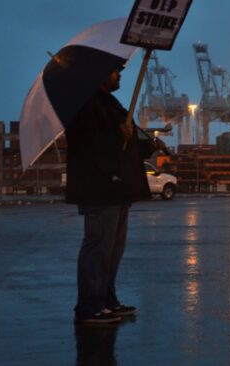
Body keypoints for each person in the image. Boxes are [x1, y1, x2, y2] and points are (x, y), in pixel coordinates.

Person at [66, 68, 158, 324]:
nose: (119, 74)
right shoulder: (84, 104)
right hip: (99, 188)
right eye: (114, 71)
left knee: (112, 250)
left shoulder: (109, 102)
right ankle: (90, 305)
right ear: (99, 74)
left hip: (118, 188)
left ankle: (107, 300)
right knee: (98, 246)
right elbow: (86, 143)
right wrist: (117, 133)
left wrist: (148, 145)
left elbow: (126, 145)